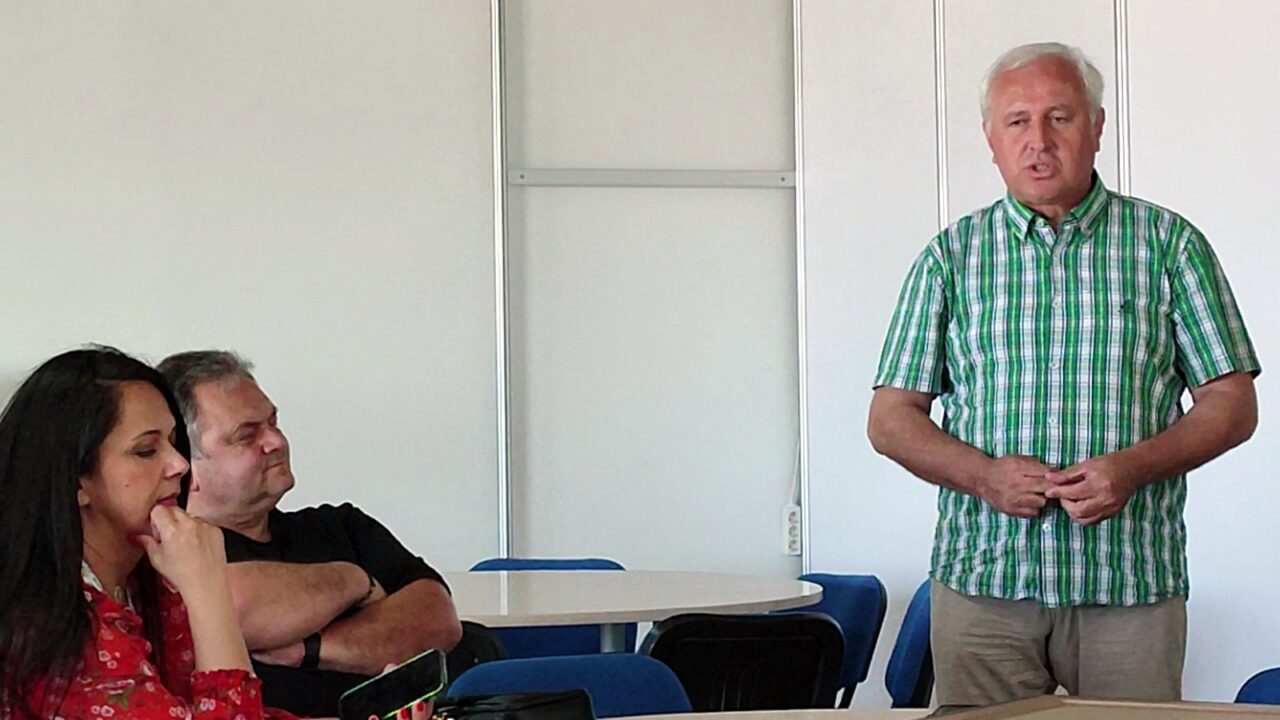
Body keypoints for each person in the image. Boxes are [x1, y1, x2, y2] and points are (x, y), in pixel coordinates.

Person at [868, 42, 1259, 709]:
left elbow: (1231, 402)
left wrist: (1131, 468)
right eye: (1017, 121)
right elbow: (890, 418)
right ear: (991, 139)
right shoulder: (950, 258)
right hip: (984, 582)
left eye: (1060, 117)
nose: (1039, 141)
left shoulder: (1169, 245)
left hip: (1129, 581)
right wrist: (983, 476)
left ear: (1097, 126)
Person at [157, 350, 462, 718]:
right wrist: (353, 580)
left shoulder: (342, 525)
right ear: (186, 465)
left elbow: (438, 620)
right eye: (247, 435)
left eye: (273, 422)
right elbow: (230, 605)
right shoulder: (172, 552)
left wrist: (311, 648)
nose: (276, 441)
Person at [0, 347, 296, 720]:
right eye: (145, 451)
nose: (180, 464)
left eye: (173, 441)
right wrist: (207, 590)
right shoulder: (56, 630)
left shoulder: (146, 578)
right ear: (76, 482)